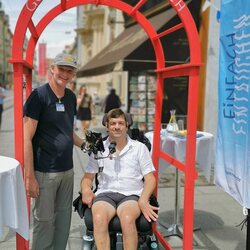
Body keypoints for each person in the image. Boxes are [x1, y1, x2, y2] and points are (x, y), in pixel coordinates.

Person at [23, 53, 85, 250]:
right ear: (52, 69)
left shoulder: (71, 97)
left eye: (69, 71)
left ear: (73, 74)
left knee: (63, 221)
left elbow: (67, 131)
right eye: (61, 69)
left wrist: (85, 145)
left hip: (67, 171)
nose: (65, 74)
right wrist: (29, 177)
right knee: (44, 222)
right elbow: (26, 138)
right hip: (45, 172)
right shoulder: (39, 96)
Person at [80, 108, 159, 250]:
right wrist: (86, 189)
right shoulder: (99, 149)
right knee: (98, 218)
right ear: (107, 126)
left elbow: (150, 179)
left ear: (127, 125)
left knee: (127, 219)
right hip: (106, 193)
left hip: (131, 194)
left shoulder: (139, 148)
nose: (117, 127)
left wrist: (143, 199)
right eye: (113, 123)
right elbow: (87, 178)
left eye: (121, 123)